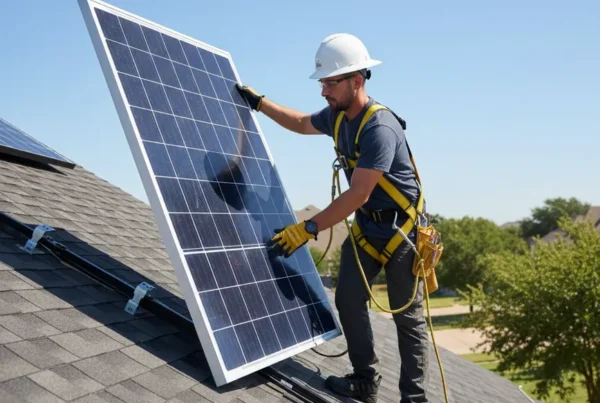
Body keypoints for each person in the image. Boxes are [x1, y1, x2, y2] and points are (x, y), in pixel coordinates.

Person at [236, 33, 429, 403]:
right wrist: (260, 104)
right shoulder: (338, 118)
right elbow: (300, 122)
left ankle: (414, 399)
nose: (323, 91)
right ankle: (364, 379)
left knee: (408, 319)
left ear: (356, 81)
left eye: (329, 82)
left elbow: (359, 193)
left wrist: (308, 228)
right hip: (369, 226)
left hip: (401, 232)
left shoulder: (380, 128)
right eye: (322, 83)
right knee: (348, 298)